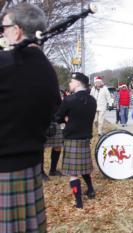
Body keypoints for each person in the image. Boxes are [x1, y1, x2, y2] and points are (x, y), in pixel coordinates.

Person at [0, 3, 60, 232]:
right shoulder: (47, 71)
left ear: (16, 31)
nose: (1, 33)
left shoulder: (6, 65)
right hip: (29, 168)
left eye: (3, 27)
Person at [56, 73, 97, 209]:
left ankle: (79, 204)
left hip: (72, 139)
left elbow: (58, 117)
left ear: (78, 83)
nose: (69, 84)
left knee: (73, 173)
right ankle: (90, 189)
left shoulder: (69, 100)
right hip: (85, 138)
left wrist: (66, 119)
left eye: (71, 81)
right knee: (84, 168)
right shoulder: (92, 100)